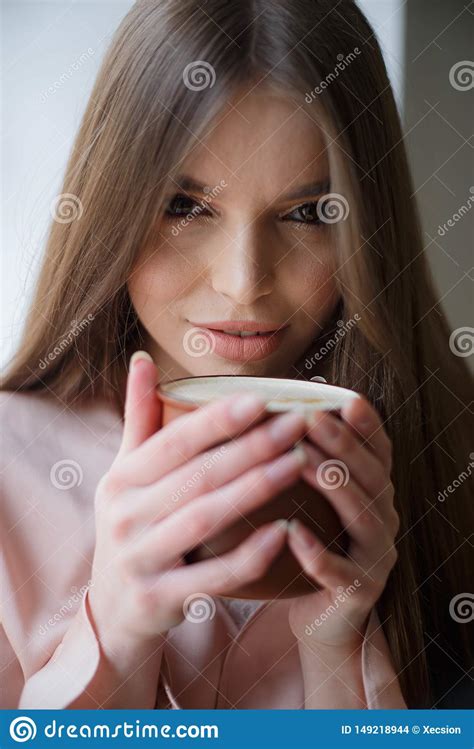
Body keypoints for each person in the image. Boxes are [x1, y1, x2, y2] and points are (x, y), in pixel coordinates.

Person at [1, 0, 472, 710]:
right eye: (186, 207)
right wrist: (119, 637)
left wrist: (338, 652)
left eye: (310, 213)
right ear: (112, 206)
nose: (243, 282)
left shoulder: (453, 458)